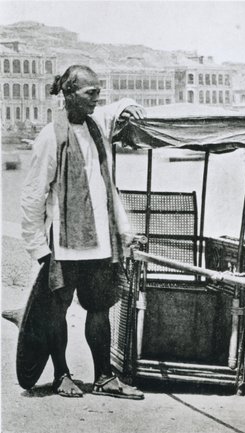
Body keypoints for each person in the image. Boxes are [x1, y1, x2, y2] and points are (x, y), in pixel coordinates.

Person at [17, 64, 145, 399]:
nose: (96, 99)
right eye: (90, 93)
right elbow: (33, 195)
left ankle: (104, 377)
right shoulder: (50, 137)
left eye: (98, 93)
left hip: (101, 241)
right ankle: (62, 375)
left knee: (99, 307)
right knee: (57, 309)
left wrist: (129, 105)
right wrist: (36, 247)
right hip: (65, 242)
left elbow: (118, 109)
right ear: (69, 93)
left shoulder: (97, 126)